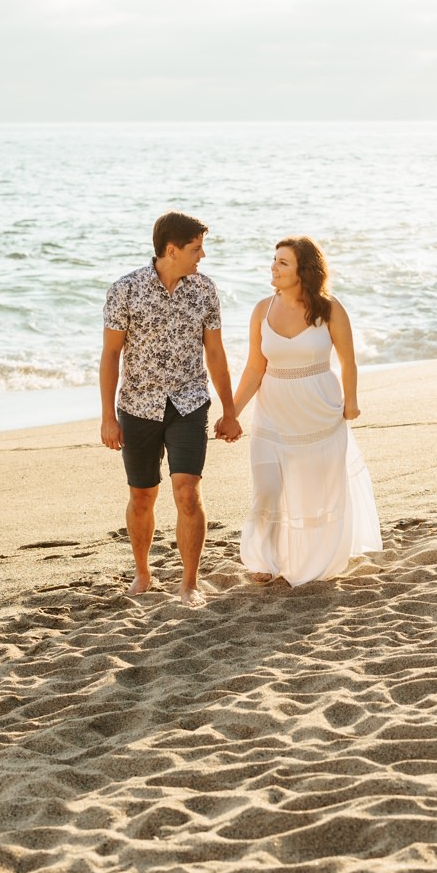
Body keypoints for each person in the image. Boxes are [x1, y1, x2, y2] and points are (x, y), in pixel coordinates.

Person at [100, 211, 240, 608]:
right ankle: (143, 572)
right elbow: (111, 355)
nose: (203, 256)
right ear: (171, 250)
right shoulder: (124, 290)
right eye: (196, 249)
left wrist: (229, 411)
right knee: (142, 495)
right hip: (138, 405)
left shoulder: (205, 290)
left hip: (189, 402)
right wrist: (108, 416)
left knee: (187, 491)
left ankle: (189, 582)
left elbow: (215, 352)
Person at [228, 237, 383, 585]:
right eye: (274, 260)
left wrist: (351, 400)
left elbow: (348, 360)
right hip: (272, 414)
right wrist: (232, 413)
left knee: (316, 489)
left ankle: (313, 560)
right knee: (267, 488)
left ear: (304, 271)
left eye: (283, 262)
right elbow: (254, 368)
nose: (274, 267)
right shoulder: (261, 310)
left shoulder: (329, 310)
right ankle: (263, 561)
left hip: (319, 414)